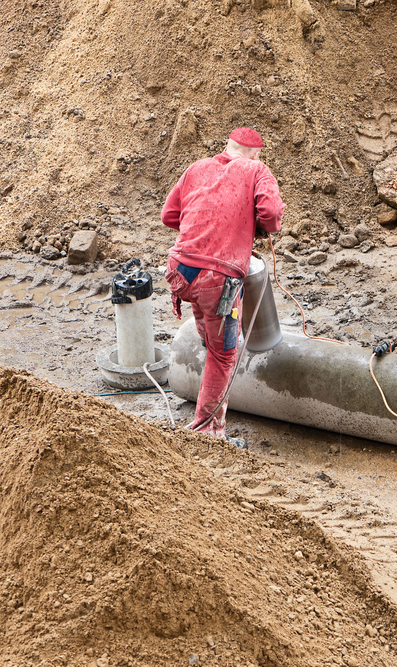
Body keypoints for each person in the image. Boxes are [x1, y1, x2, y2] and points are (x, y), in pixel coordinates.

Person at [162, 127, 284, 445]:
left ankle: (206, 341)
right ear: (254, 154)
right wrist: (256, 226)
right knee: (224, 354)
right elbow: (270, 214)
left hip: (180, 271)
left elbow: (169, 215)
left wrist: (210, 225)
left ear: (228, 148)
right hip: (217, 280)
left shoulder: (197, 167)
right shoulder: (257, 169)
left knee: (208, 324)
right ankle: (207, 432)